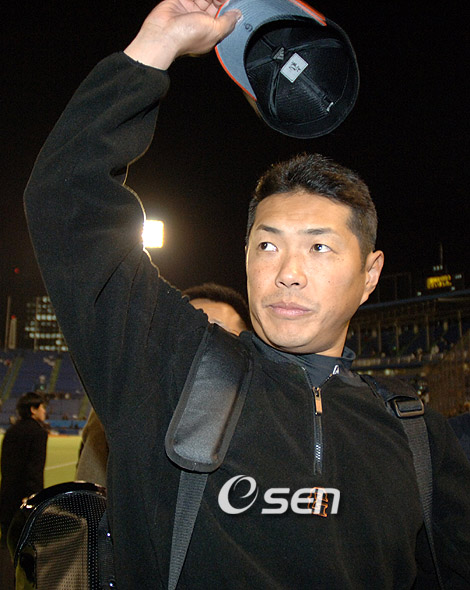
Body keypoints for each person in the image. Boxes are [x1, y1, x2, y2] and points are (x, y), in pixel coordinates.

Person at [23, 1, 470, 588]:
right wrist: (156, 45)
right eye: (267, 245)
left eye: (319, 247)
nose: (287, 272)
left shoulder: (419, 436)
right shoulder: (169, 371)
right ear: (246, 257)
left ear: (370, 274)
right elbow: (67, 200)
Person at [76, 282, 250, 487]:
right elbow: (92, 494)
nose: (198, 344)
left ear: (245, 347)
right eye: (184, 332)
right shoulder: (121, 414)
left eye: (217, 331)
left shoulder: (265, 414)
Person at [0, 392, 48, 587]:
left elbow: (5, 467)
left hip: (6, 496)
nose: (44, 411)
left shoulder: (11, 431)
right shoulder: (38, 433)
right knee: (28, 545)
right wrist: (35, 498)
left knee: (6, 544)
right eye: (42, 407)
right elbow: (35, 471)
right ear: (33, 410)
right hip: (26, 500)